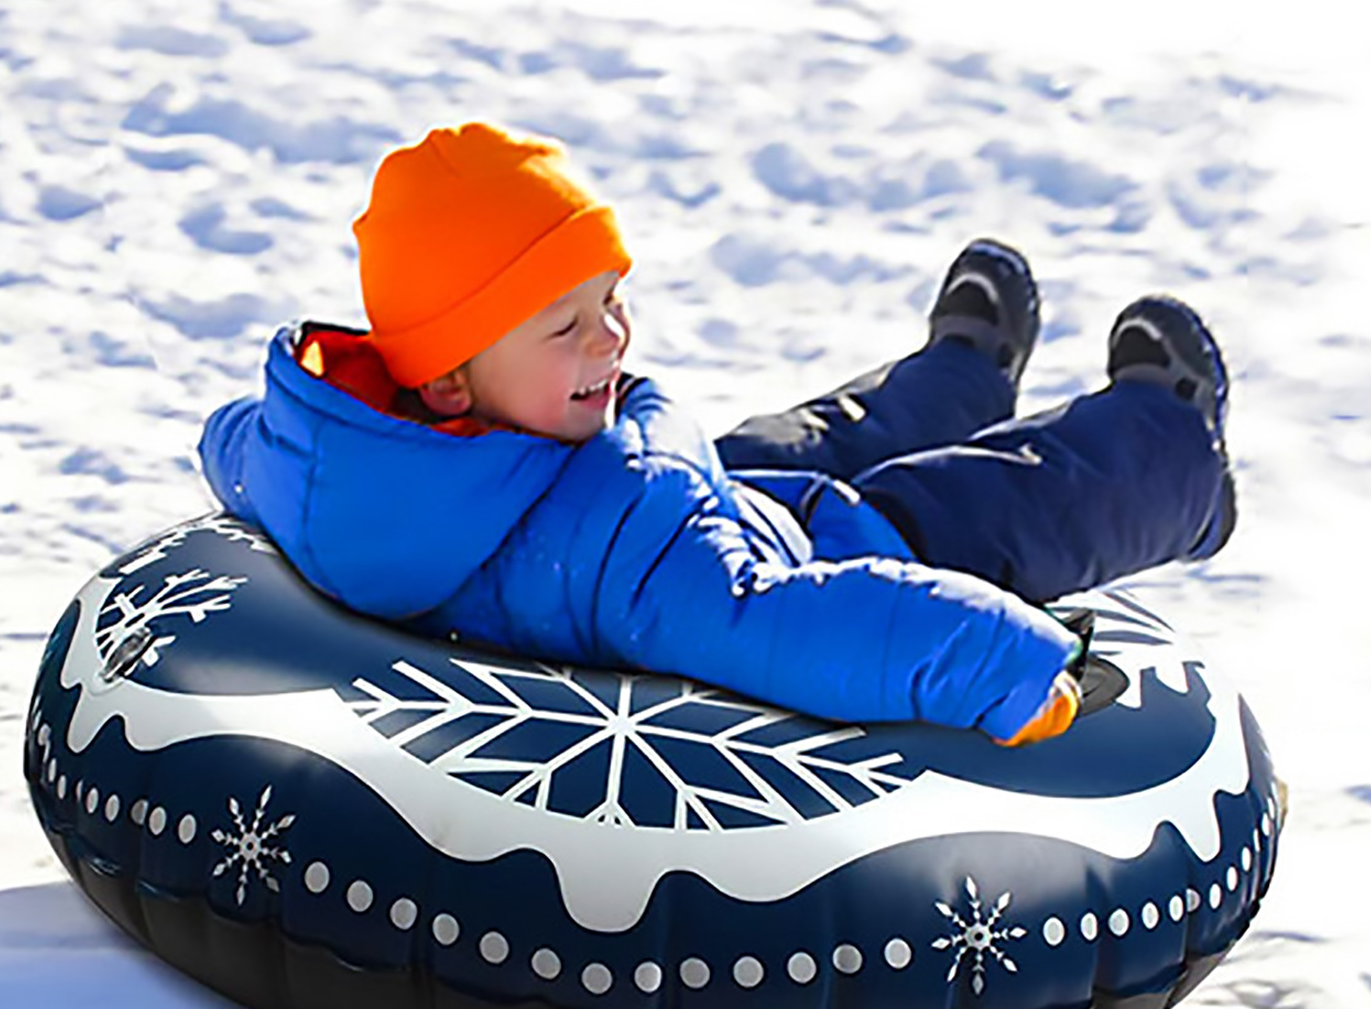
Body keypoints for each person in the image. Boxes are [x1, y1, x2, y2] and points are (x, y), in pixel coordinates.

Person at [200, 122, 1234, 748]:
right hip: (802, 548)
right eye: (568, 326)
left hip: (661, 485)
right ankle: (1175, 452)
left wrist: (221, 441)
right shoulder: (641, 566)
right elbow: (779, 622)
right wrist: (1001, 667)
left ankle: (961, 372)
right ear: (450, 373)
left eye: (610, 298)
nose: (614, 334)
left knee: (810, 436)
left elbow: (240, 447)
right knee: (989, 498)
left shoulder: (334, 462)